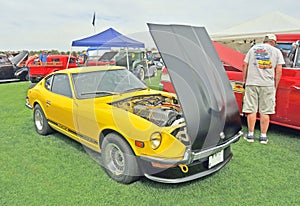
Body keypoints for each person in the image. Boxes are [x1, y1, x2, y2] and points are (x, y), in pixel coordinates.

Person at [242, 34, 285, 144]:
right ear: (274, 42)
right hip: (267, 84)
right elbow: (279, 70)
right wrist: (275, 84)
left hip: (252, 82)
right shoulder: (276, 52)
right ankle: (263, 136)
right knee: (265, 111)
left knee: (251, 109)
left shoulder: (253, 49)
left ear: (264, 41)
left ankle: (250, 135)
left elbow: (244, 64)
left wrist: (244, 80)